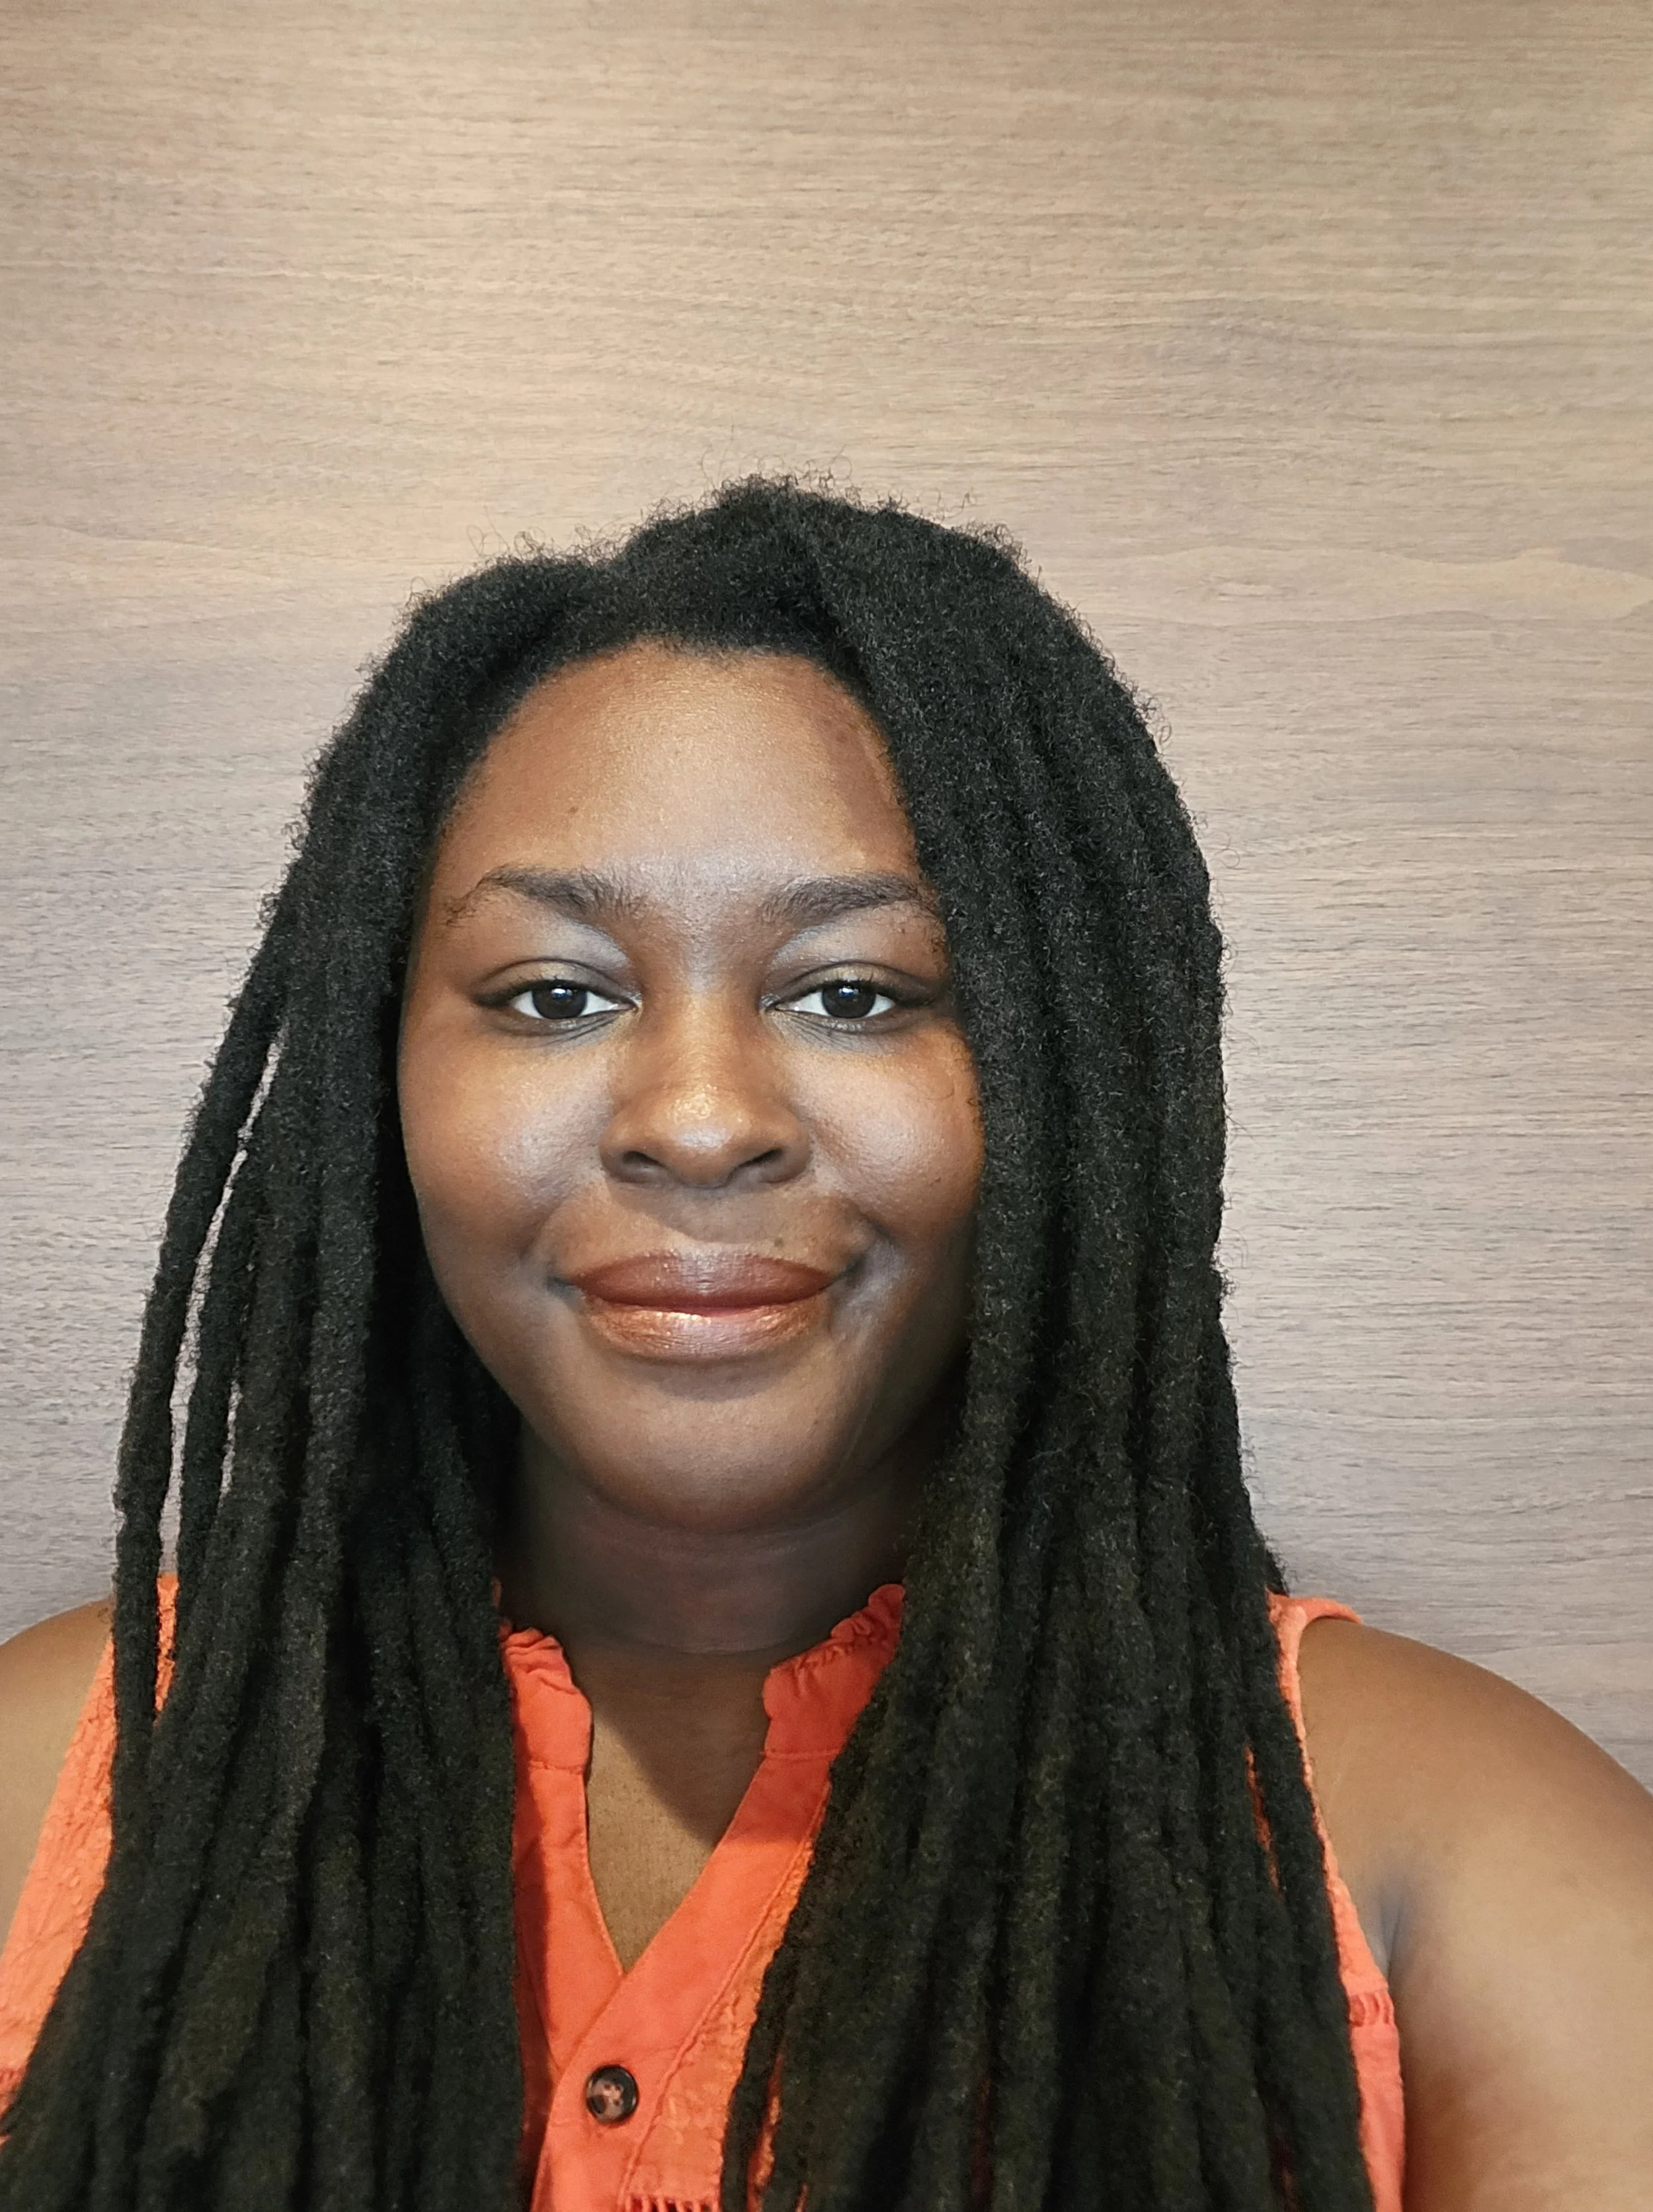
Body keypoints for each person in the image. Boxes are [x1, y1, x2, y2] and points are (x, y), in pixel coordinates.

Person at [0, 483, 1648, 2212]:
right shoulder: (61, 1785)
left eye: (854, 993)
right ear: (370, 1080)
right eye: (554, 994)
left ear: (1067, 1080)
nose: (701, 1123)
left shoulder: (1467, 1864)